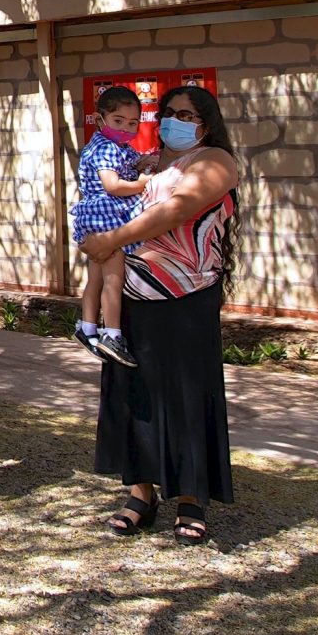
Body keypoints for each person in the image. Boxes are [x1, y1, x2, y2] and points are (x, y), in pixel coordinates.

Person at [80, 84, 243, 547]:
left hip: (187, 300)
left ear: (206, 122)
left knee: (188, 395)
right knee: (136, 395)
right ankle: (141, 491)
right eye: (169, 112)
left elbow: (179, 209)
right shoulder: (151, 162)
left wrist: (111, 238)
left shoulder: (214, 161)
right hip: (135, 298)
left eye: (187, 114)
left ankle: (191, 498)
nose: (175, 120)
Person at [72, 84, 153, 366]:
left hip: (97, 218)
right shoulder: (106, 148)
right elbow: (113, 185)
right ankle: (113, 334)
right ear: (100, 119)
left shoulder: (115, 146)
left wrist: (147, 160)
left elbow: (133, 161)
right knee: (113, 278)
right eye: (118, 121)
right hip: (107, 216)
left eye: (132, 123)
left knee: (95, 277)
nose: (126, 128)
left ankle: (87, 327)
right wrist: (141, 183)